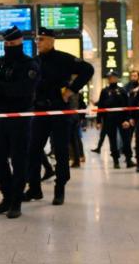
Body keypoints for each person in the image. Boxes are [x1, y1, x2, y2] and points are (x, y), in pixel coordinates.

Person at [26, 26, 94, 204]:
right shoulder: (34, 61)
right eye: (36, 40)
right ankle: (34, 189)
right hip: (39, 110)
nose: (38, 43)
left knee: (61, 150)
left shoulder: (64, 59)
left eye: (41, 39)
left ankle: (60, 189)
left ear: (51, 40)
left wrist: (71, 90)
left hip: (58, 109)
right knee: (33, 149)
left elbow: (88, 70)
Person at [0, 26, 39, 218]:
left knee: (19, 160)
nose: (8, 46)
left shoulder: (29, 64)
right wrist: (1, 89)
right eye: (6, 43)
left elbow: (23, 90)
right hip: (2, 117)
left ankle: (16, 202)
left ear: (20, 43)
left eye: (11, 43)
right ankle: (7, 196)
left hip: (21, 118)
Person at [95, 71, 129, 168]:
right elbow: (100, 106)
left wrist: (127, 119)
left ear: (117, 78)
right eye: (109, 78)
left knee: (126, 139)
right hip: (109, 119)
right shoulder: (105, 91)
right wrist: (98, 121)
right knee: (112, 140)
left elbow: (127, 106)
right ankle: (115, 161)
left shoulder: (122, 91)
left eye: (112, 77)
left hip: (122, 119)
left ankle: (128, 159)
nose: (110, 79)